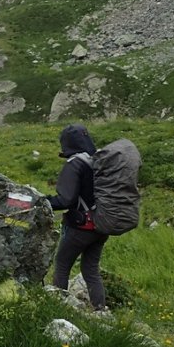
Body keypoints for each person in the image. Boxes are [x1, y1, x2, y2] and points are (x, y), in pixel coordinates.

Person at [46, 124, 109, 312]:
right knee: (90, 269)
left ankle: (58, 309)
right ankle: (100, 310)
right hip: (102, 225)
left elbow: (66, 199)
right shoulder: (99, 160)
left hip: (80, 227)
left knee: (63, 264)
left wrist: (44, 201)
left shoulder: (75, 163)